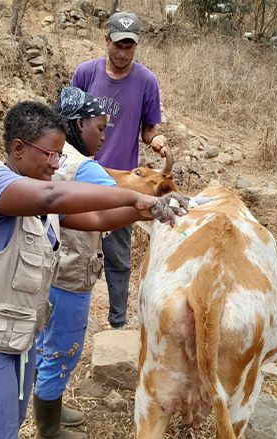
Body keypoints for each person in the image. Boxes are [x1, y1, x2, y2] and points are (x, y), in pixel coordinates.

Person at [0, 101, 187, 439]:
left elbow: (96, 220)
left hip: (13, 343)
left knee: (10, 426)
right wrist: (134, 196)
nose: (56, 163)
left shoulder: (38, 201)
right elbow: (52, 197)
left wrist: (147, 211)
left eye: (59, 154)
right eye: (50, 154)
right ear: (18, 149)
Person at [71, 11, 169, 329]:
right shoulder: (85, 74)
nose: (123, 53)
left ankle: (116, 323)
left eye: (129, 47)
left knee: (117, 258)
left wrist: (157, 141)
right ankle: (67, 318)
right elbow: (67, 123)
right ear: (106, 40)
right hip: (83, 177)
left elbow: (149, 131)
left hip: (122, 185)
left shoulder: (146, 82)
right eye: (118, 45)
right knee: (72, 250)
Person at [32, 87, 113, 439]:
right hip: (72, 274)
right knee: (65, 347)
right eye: (100, 127)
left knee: (45, 343)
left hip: (51, 268)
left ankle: (51, 402)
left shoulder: (57, 156)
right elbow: (118, 195)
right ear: (80, 123)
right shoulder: (87, 168)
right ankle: (48, 432)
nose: (103, 135)